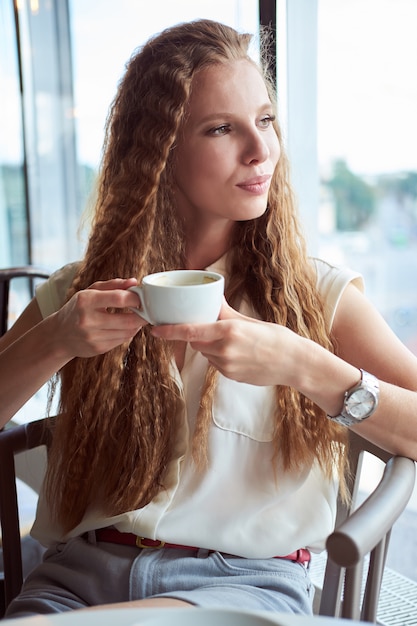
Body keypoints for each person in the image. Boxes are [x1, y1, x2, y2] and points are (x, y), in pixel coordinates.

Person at [1, 17, 417, 619]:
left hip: (242, 588)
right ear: (159, 155)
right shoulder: (80, 290)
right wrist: (57, 338)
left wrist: (305, 365)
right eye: (223, 128)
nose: (260, 149)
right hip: (76, 581)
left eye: (266, 121)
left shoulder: (317, 295)